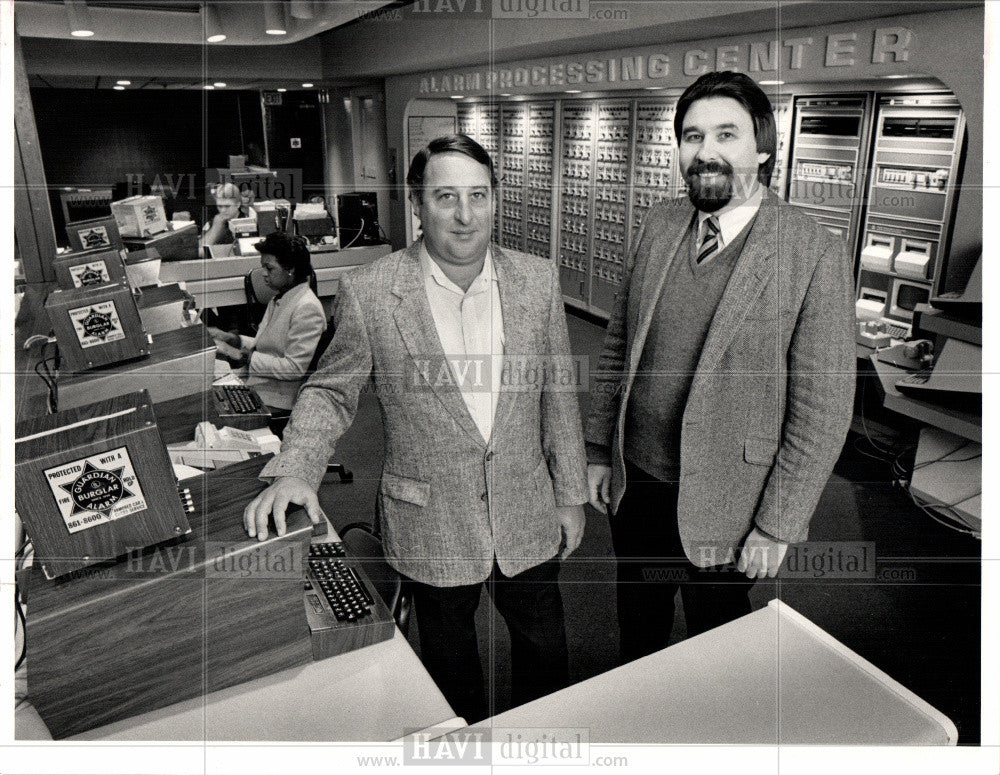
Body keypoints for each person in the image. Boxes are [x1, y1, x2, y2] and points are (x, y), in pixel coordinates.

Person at [243, 134, 588, 723]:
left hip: (526, 509)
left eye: (478, 196)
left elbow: (558, 396)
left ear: (495, 200)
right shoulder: (373, 290)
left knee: (547, 662)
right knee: (451, 676)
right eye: (446, 196)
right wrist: (296, 468)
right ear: (416, 204)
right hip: (429, 521)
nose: (464, 214)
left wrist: (572, 493)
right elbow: (330, 389)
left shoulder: (536, 280)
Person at [585, 71, 856, 664]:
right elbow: (617, 344)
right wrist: (599, 451)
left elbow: (824, 406)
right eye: (691, 135)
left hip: (730, 497)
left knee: (719, 646)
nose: (705, 151)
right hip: (639, 480)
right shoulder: (659, 224)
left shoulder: (811, 251)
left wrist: (779, 523)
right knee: (639, 626)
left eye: (725, 134)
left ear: (762, 148)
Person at [209, 231, 326, 413]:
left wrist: (242, 356)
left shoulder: (307, 307)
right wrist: (232, 339)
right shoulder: (281, 297)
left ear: (291, 269)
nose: (263, 274)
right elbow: (265, 346)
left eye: (269, 268)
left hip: (279, 399)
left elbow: (294, 369)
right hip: (260, 384)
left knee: (208, 408)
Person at [201, 182, 243, 249]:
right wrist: (215, 228)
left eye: (227, 206)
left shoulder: (248, 222)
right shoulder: (212, 223)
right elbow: (200, 250)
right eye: (220, 206)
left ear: (238, 204)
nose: (223, 210)